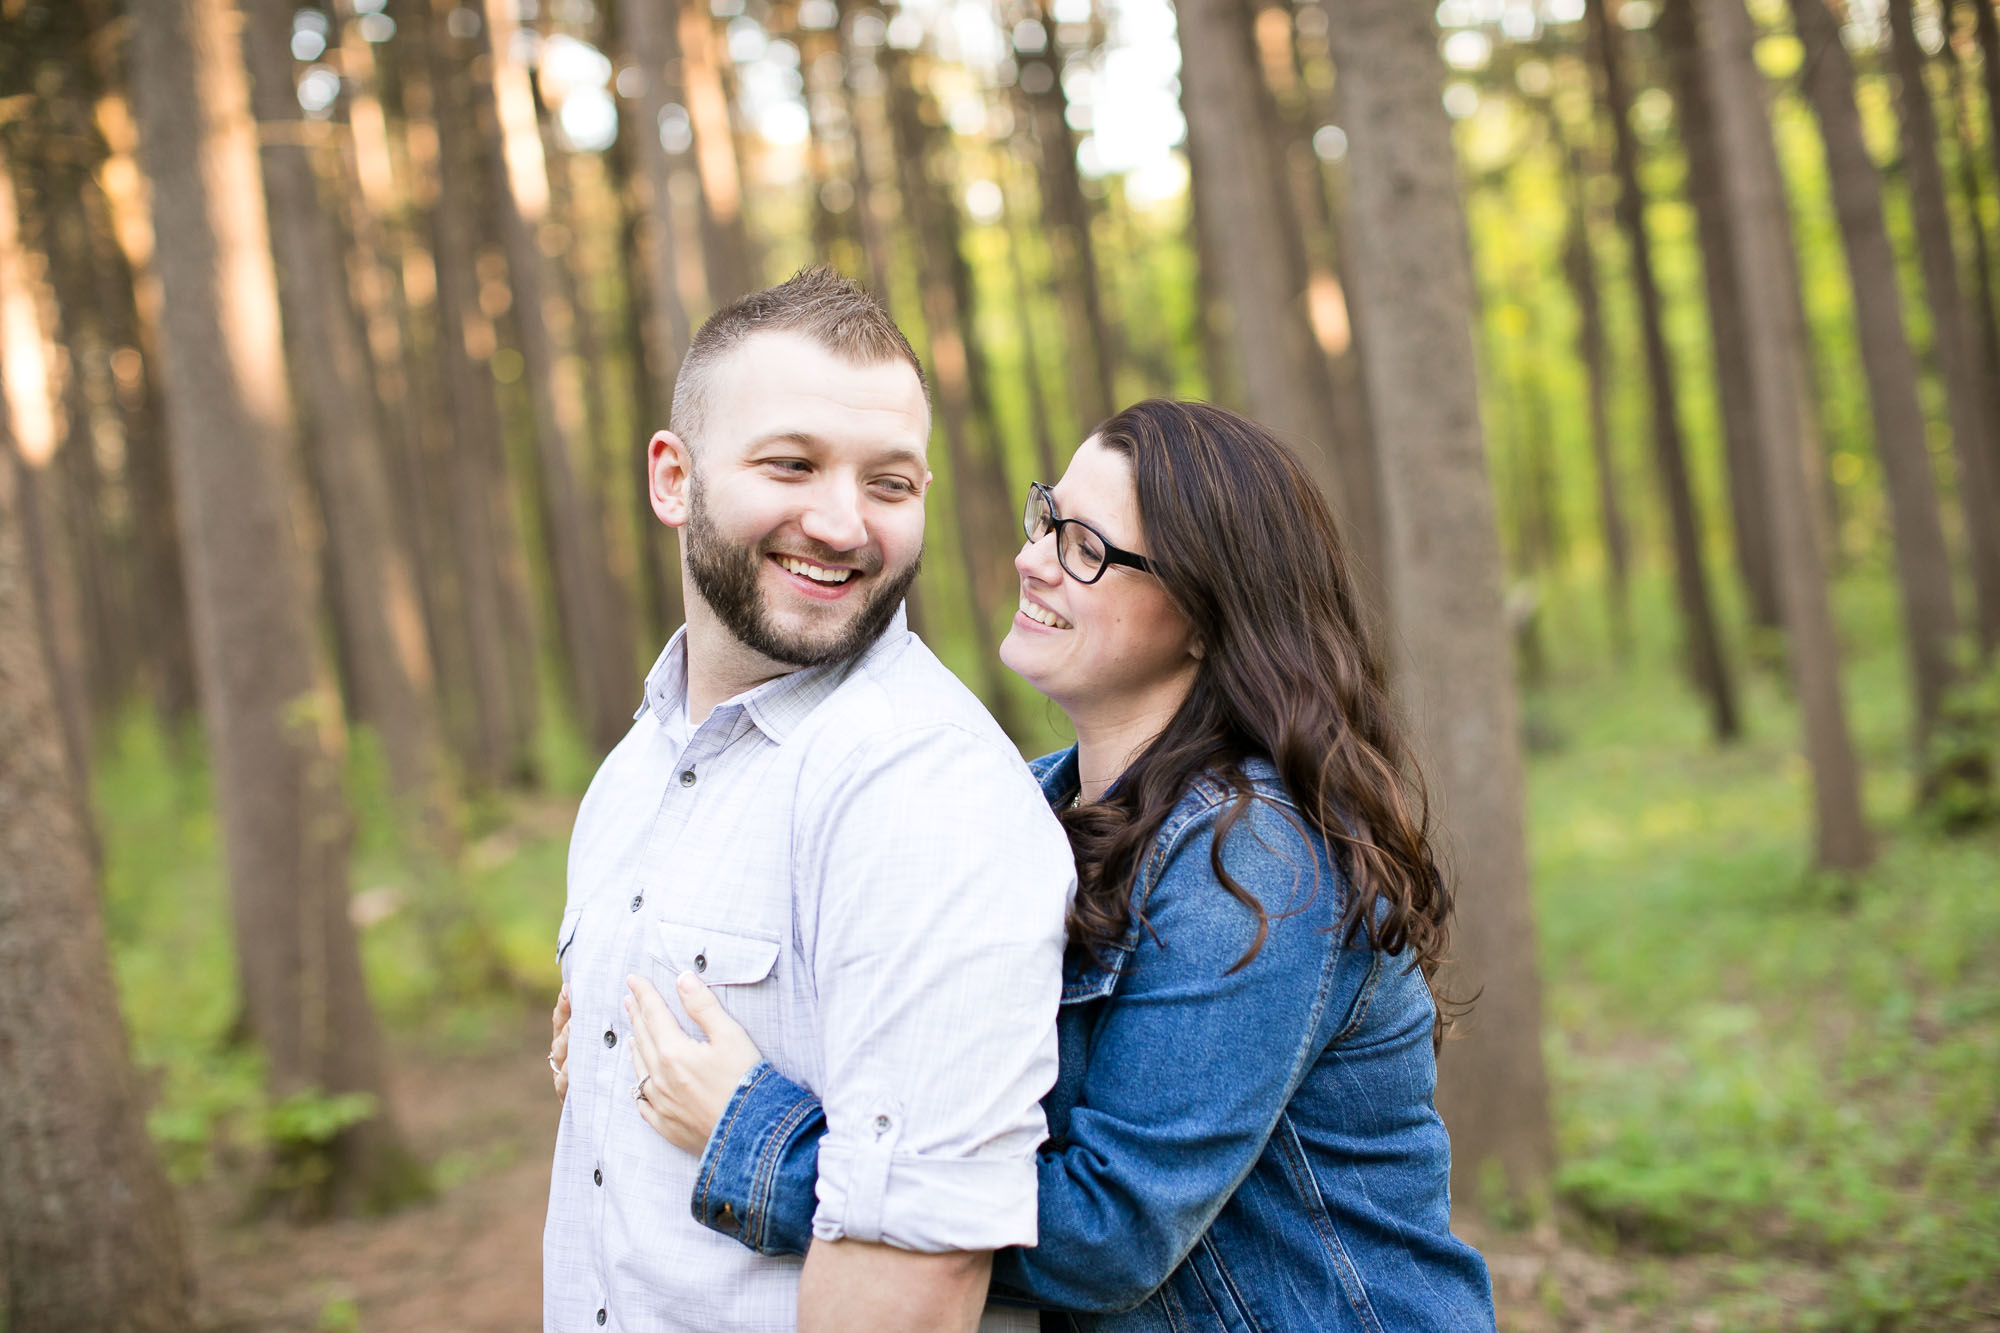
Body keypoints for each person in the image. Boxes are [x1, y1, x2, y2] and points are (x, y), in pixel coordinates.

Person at [623, 399, 1498, 1330]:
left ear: (1208, 615)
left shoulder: (1256, 860)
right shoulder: (1026, 802)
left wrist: (757, 1141)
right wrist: (617, 995)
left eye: (1086, 546)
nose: (1031, 558)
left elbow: (1108, 1231)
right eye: (1049, 519)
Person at [543, 268, 1075, 1333]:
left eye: (889, 483)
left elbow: (914, 1277)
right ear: (672, 478)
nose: (841, 523)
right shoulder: (634, 769)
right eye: (792, 464)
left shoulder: (924, 795)